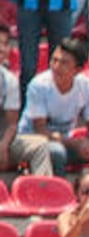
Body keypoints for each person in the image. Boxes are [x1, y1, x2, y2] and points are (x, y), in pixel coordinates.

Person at [19, 37, 89, 178]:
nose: (56, 67)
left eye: (64, 63)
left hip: (66, 142)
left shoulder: (86, 86)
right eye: (54, 60)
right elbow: (41, 131)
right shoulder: (39, 86)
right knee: (57, 152)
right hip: (36, 144)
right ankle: (59, 196)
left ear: (78, 69)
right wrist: (75, 144)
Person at [0, 25, 51, 176]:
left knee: (40, 145)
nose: (2, 49)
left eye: (5, 44)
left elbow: (12, 124)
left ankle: (44, 195)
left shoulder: (9, 80)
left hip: (2, 141)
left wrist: (3, 146)